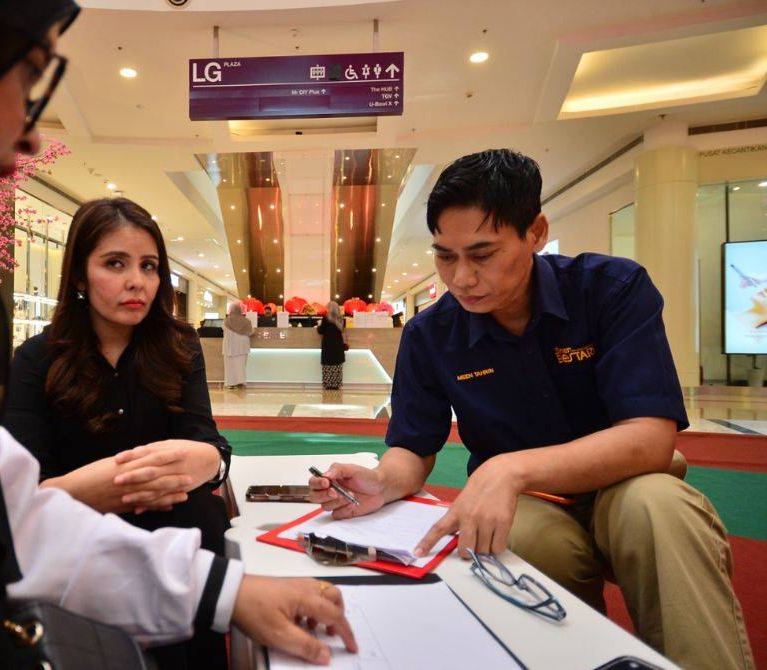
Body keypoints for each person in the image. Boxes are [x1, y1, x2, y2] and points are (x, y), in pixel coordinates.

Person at [0, 2, 356, 666]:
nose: (28, 137)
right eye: (27, 76)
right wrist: (111, 486)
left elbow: (6, 509)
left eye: (149, 267)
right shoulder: (22, 357)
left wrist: (219, 555)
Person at [309, 149, 752, 670]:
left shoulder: (612, 290)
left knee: (659, 509)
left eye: (482, 254)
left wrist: (509, 468)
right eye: (445, 256)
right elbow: (413, 444)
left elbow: (650, 438)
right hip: (527, 504)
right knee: (520, 540)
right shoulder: (431, 334)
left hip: (626, 482)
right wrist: (383, 482)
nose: (461, 277)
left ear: (536, 232)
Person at [3, 196, 233, 667]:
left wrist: (210, 462)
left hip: (182, 542)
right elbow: (20, 497)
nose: (137, 281)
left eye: (149, 266)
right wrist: (110, 485)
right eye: (115, 263)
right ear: (79, 275)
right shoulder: (35, 360)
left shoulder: (181, 347)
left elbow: (207, 442)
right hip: (81, 557)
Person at [223, 302, 253, 388]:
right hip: (242, 346)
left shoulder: (226, 321)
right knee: (241, 365)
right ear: (240, 310)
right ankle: (241, 382)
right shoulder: (247, 321)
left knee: (229, 365)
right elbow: (250, 332)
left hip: (229, 346)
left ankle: (230, 383)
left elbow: (223, 329)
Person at [317, 301, 346, 390]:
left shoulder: (326, 318)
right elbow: (342, 330)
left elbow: (321, 331)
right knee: (337, 365)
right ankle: (336, 384)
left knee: (328, 365)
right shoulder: (341, 318)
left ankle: (328, 384)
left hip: (328, 345)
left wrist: (318, 325)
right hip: (338, 345)